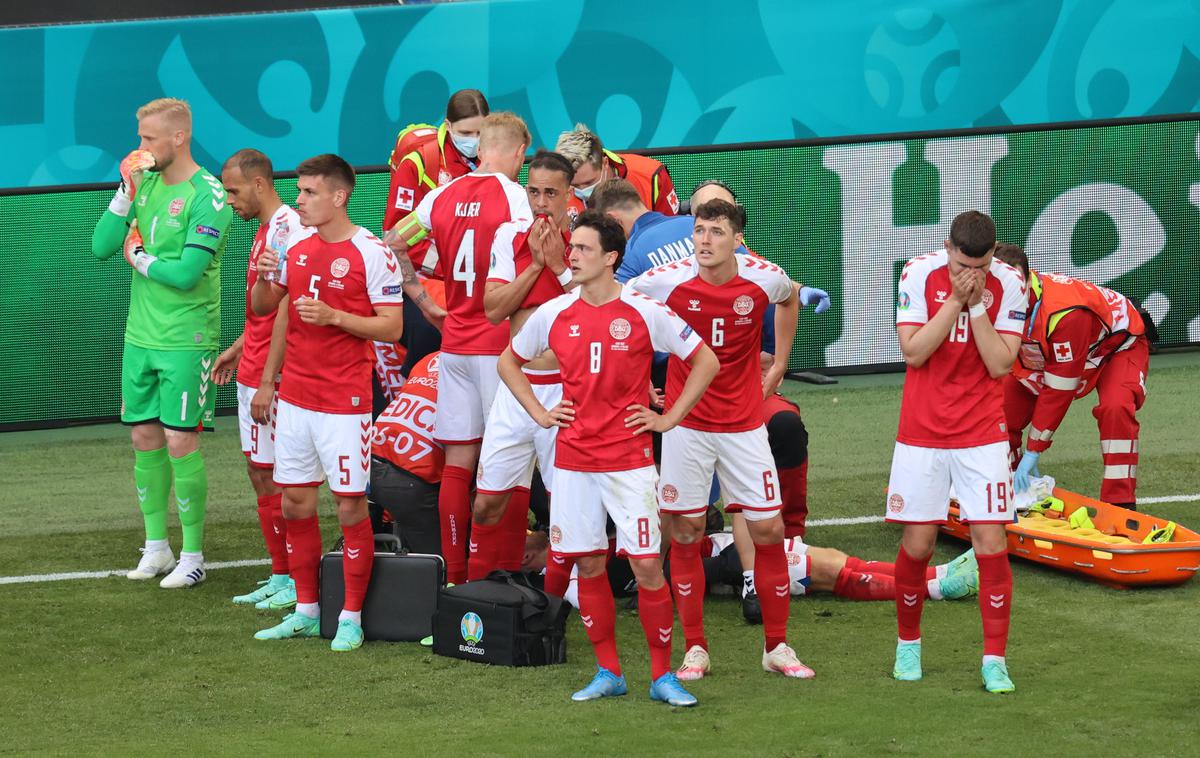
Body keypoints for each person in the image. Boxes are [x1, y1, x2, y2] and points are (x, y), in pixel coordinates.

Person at [499, 210, 719, 707]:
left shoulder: (645, 311)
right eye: (570, 247)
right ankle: (609, 672)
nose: (571, 256)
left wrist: (668, 419)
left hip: (629, 461)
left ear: (611, 258)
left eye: (582, 249)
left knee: (645, 566)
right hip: (574, 462)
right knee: (590, 562)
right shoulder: (556, 313)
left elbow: (706, 359)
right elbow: (508, 360)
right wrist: (539, 413)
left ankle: (663, 677)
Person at [628, 198, 813, 681]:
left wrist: (781, 362)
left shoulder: (762, 276)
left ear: (736, 239)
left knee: (770, 531)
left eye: (715, 232)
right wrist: (639, 379)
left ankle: (776, 647)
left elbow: (788, 296)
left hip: (745, 427)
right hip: (687, 428)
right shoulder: (664, 279)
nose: (704, 240)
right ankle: (696, 649)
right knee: (685, 533)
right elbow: (623, 313)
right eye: (699, 230)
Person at [248, 154, 404, 652]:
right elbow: (265, 310)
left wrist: (337, 317)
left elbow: (392, 327)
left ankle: (352, 616)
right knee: (295, 500)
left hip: (344, 400)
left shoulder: (371, 252)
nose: (299, 200)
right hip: (295, 395)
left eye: (310, 192)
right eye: (299, 191)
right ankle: (308, 611)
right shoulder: (293, 243)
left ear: (339, 197)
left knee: (350, 505)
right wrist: (265, 277)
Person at [384, 112, 533, 584]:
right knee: (511, 462)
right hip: (500, 348)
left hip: (455, 345)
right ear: (518, 153)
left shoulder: (442, 194)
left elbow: (392, 241)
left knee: (458, 462)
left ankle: (455, 577)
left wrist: (426, 298)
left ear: (481, 147)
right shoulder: (515, 199)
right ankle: (502, 572)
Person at [90, 97, 233, 589]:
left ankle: (193, 556)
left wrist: (140, 260)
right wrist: (124, 193)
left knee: (179, 440)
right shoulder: (144, 183)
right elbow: (100, 246)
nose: (141, 148)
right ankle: (156, 548)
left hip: (187, 339)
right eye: (140, 138)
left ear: (178, 138)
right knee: (143, 437)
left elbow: (189, 273)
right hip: (140, 337)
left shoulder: (208, 194)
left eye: (149, 139)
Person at [889, 211, 1025, 693]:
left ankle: (994, 661)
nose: (972, 275)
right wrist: (954, 303)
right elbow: (914, 351)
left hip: (983, 433)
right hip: (922, 433)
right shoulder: (918, 272)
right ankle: (908, 645)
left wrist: (980, 307)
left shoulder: (1010, 283)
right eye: (963, 264)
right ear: (947, 247)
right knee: (918, 546)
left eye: (981, 266)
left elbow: (1000, 364)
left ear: (993, 254)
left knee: (991, 545)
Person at [468, 149, 576, 579]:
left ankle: (555, 604)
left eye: (551, 193)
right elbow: (493, 310)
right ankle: (474, 598)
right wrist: (534, 266)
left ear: (570, 196)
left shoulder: (588, 237)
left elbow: (598, 312)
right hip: (517, 388)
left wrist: (559, 265)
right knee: (487, 501)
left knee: (563, 504)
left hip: (567, 391)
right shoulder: (509, 236)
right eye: (533, 191)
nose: (540, 203)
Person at [992, 244, 1149, 509]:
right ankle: (1015, 490)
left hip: (1115, 347)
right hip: (1043, 354)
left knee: (1116, 407)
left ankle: (1120, 504)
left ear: (1029, 280)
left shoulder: (1066, 314)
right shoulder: (988, 298)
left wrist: (1034, 449)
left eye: (1017, 285)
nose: (1010, 293)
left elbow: (1059, 390)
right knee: (996, 414)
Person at [211, 147, 300, 609]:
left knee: (283, 478)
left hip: (273, 377)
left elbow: (286, 308)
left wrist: (269, 379)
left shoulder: (288, 228)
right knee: (260, 471)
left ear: (260, 184)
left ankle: (294, 579)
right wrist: (238, 348)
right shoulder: (266, 230)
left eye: (233, 190)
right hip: (252, 369)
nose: (229, 200)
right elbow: (261, 311)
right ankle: (280, 572)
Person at [525, 530, 979, 606]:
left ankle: (935, 574)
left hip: (726, 546)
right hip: (730, 562)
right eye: (526, 547)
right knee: (826, 572)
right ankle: (937, 590)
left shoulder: (589, 544)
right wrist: (729, 564)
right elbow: (680, 577)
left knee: (835, 559)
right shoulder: (595, 573)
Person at [382, 89, 487, 378]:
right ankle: (416, 395)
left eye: (481, 131)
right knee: (428, 331)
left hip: (477, 276)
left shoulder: (495, 158)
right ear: (448, 126)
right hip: (422, 276)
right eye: (466, 132)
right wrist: (450, 266)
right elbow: (394, 236)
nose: (474, 141)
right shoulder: (419, 163)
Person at [370, 351, 444, 555]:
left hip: (372, 457)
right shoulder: (485, 365)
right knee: (439, 561)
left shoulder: (428, 358)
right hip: (409, 477)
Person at [555, 123, 679, 219]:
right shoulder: (553, 189)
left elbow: (672, 232)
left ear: (605, 163)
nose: (582, 191)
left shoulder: (652, 176)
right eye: (575, 186)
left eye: (589, 183)